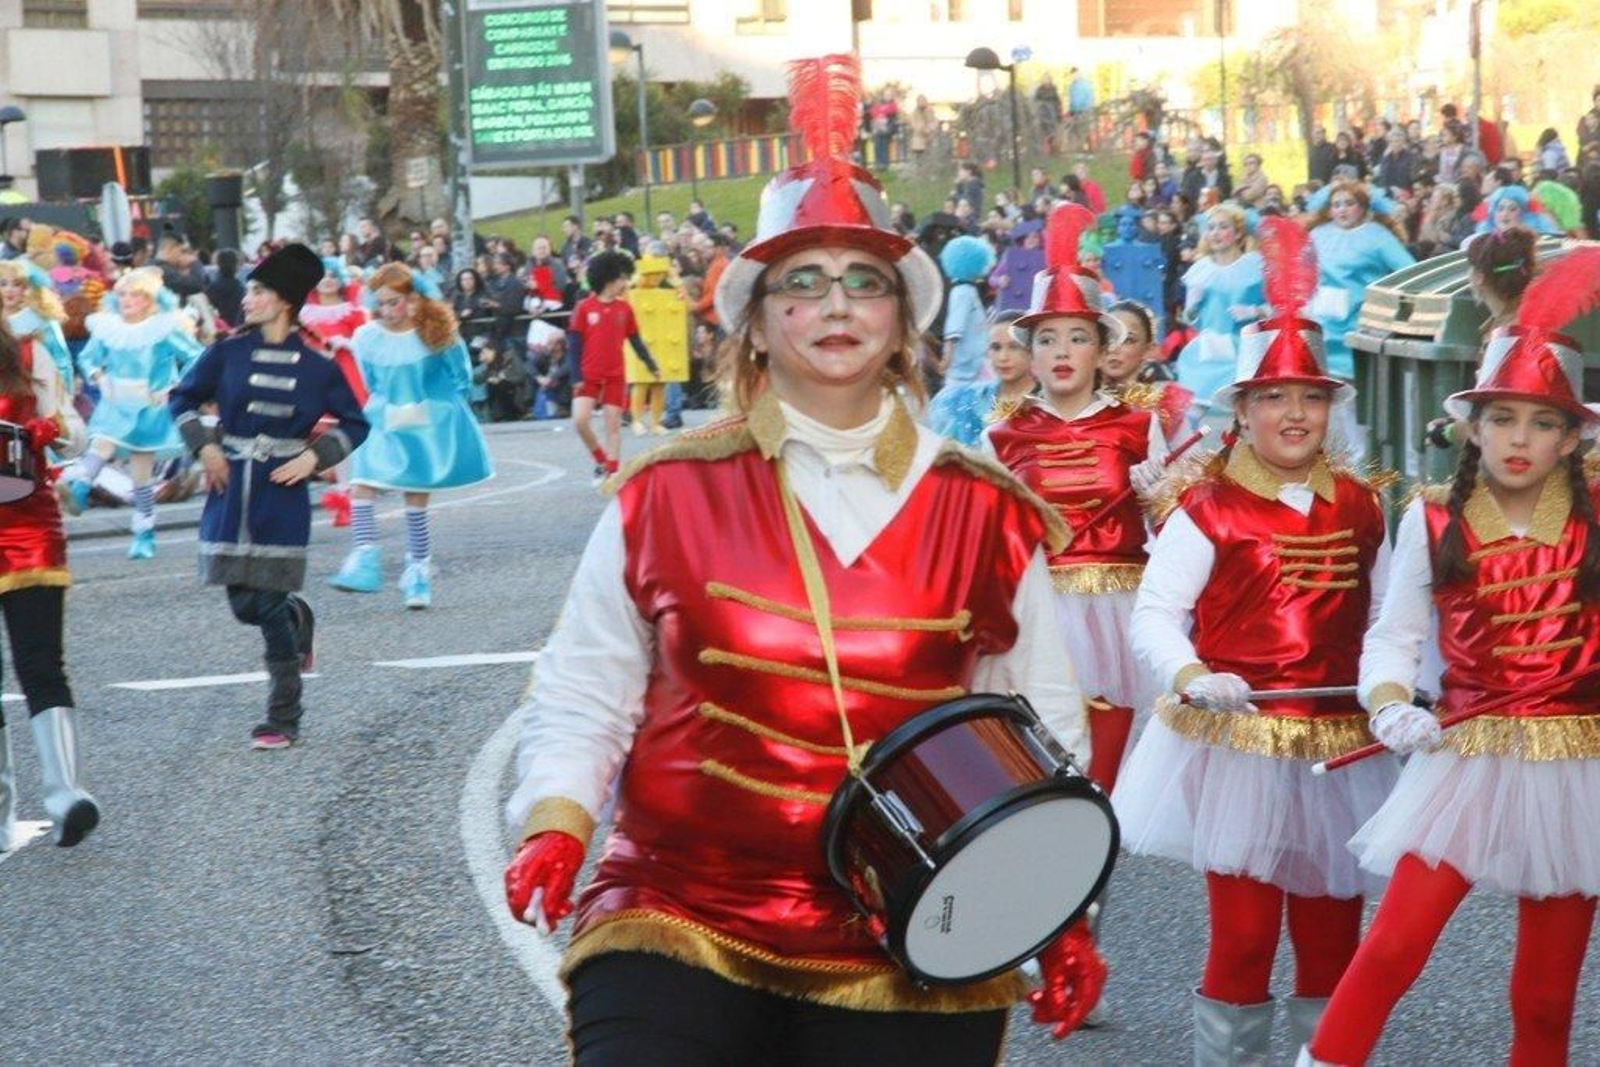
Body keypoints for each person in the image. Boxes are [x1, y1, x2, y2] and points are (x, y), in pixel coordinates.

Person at [502, 54, 1099, 1066]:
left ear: (900, 322)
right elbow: (585, 686)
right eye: (804, 283)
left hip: (919, 926)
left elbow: (1041, 720)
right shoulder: (664, 490)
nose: (836, 306)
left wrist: (1057, 906)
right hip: (679, 909)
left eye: (865, 282)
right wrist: (556, 818)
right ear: (757, 322)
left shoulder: (985, 508)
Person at [1304, 248, 1600, 1067]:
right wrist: (1390, 703)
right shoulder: (1434, 519)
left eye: (1543, 422)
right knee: (1392, 949)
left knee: (1545, 997)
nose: (1520, 438)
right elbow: (1393, 636)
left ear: (1572, 438)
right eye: (1502, 417)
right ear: (1472, 425)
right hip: (1466, 754)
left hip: (1578, 769)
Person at [1116, 219, 1397, 1065]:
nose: (1294, 413)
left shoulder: (1361, 504)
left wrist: (1399, 689)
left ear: (1331, 407)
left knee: (1331, 942)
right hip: (1240, 744)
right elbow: (1154, 612)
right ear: (1241, 410)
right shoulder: (1209, 507)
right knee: (1242, 941)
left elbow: (1390, 619)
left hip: (1340, 748)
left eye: (1310, 396)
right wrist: (1192, 671)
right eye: (1274, 397)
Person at [984, 201, 1163, 800]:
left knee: (1106, 774)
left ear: (1100, 351)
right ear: (1030, 353)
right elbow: (986, 541)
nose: (1062, 352)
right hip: (1038, 607)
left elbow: (1174, 532)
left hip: (1117, 609)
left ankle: (1102, 852)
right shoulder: (1002, 435)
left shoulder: (1138, 425)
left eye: (1077, 337)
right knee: (1041, 766)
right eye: (1048, 338)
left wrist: (1160, 497)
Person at [169, 245, 369, 750]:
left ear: (284, 301)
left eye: (258, 291)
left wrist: (313, 458)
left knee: (269, 603)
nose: (247, 299)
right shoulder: (226, 353)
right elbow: (182, 398)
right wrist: (205, 447)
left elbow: (355, 422)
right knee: (244, 606)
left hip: (282, 493)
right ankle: (299, 617)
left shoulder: (318, 366)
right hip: (229, 487)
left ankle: (283, 717)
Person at [327, 263, 493, 608]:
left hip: (425, 421)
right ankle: (365, 557)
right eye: (381, 303)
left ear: (413, 299)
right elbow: (370, 380)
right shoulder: (367, 337)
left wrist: (444, 412)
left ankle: (417, 569)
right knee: (363, 481)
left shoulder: (435, 333)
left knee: (415, 495)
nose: (387, 311)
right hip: (383, 418)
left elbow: (461, 377)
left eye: (394, 302)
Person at [0, 315, 96, 849]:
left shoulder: (27, 353)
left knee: (41, 664)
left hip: (28, 530)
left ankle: (67, 797)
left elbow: (76, 435)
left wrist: (48, 429)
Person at [61, 268, 203, 553]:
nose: (127, 299)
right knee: (102, 444)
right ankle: (79, 489)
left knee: (141, 474)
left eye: (135, 294)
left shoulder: (163, 329)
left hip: (148, 409)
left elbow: (196, 356)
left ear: (150, 300)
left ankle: (144, 532)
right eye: (123, 294)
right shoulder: (109, 328)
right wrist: (99, 377)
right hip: (115, 403)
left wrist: (172, 387)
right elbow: (88, 358)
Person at [1307, 180, 1415, 382]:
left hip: (1360, 325)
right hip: (1321, 325)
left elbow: (1410, 271)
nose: (1342, 209)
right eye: (1336, 204)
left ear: (1363, 208)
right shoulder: (1317, 235)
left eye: (1349, 203)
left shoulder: (1377, 235)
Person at [568, 251, 659, 481]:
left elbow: (636, 341)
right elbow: (574, 346)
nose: (626, 283)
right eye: (623, 278)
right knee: (580, 421)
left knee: (613, 427)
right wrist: (576, 376)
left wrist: (650, 364)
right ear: (609, 278)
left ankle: (613, 473)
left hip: (615, 376)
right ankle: (601, 460)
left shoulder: (625, 309)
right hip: (588, 375)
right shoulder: (584, 307)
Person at [298, 257, 372, 527]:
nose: (328, 280)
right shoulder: (304, 314)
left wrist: (346, 344)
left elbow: (367, 343)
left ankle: (351, 497)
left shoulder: (353, 312)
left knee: (350, 435)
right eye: (323, 276)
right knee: (325, 436)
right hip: (317, 377)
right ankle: (341, 494)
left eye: (332, 275)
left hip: (348, 376)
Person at [1173, 204, 1265, 405]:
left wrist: (1255, 310)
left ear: (1238, 233)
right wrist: (1192, 309)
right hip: (1210, 350)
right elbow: (1191, 320)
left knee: (1245, 408)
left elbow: (1278, 308)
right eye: (1211, 227)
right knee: (1195, 407)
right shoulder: (1200, 270)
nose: (1215, 233)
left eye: (1223, 227)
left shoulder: (1255, 265)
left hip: (1246, 351)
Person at [926, 309, 1035, 446]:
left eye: (1014, 347)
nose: (1003, 357)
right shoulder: (956, 399)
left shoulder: (1048, 404)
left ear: (1032, 349)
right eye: (996, 347)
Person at [1101, 299, 1194, 444]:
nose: (1114, 348)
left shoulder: (1163, 406)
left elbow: (1190, 455)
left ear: (1149, 349)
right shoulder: (1080, 398)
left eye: (1128, 340)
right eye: (1109, 338)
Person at [624, 255, 687, 436]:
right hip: (642, 344)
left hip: (662, 344)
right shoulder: (634, 294)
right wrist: (633, 281)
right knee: (641, 384)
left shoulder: (666, 294)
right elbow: (623, 296)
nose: (657, 278)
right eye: (652, 274)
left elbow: (684, 301)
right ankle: (637, 420)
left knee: (659, 385)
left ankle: (655, 422)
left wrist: (676, 281)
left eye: (660, 274)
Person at [932, 234, 995, 394]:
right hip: (966, 366)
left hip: (973, 362)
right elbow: (954, 326)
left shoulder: (967, 290)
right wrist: (947, 358)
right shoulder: (963, 292)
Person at [0, 259, 74, 393]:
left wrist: (64, 393)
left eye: (16, 284)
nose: (9, 290)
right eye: (3, 284)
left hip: (33, 392)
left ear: (25, 288)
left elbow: (61, 360)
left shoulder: (40, 321)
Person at [988, 218, 1045, 313]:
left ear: (1040, 239)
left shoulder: (1044, 258)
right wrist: (1000, 280)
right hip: (1013, 307)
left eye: (1035, 237)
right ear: (1023, 240)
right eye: (1027, 237)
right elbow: (992, 279)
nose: (1031, 240)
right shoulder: (1012, 257)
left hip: (1035, 307)